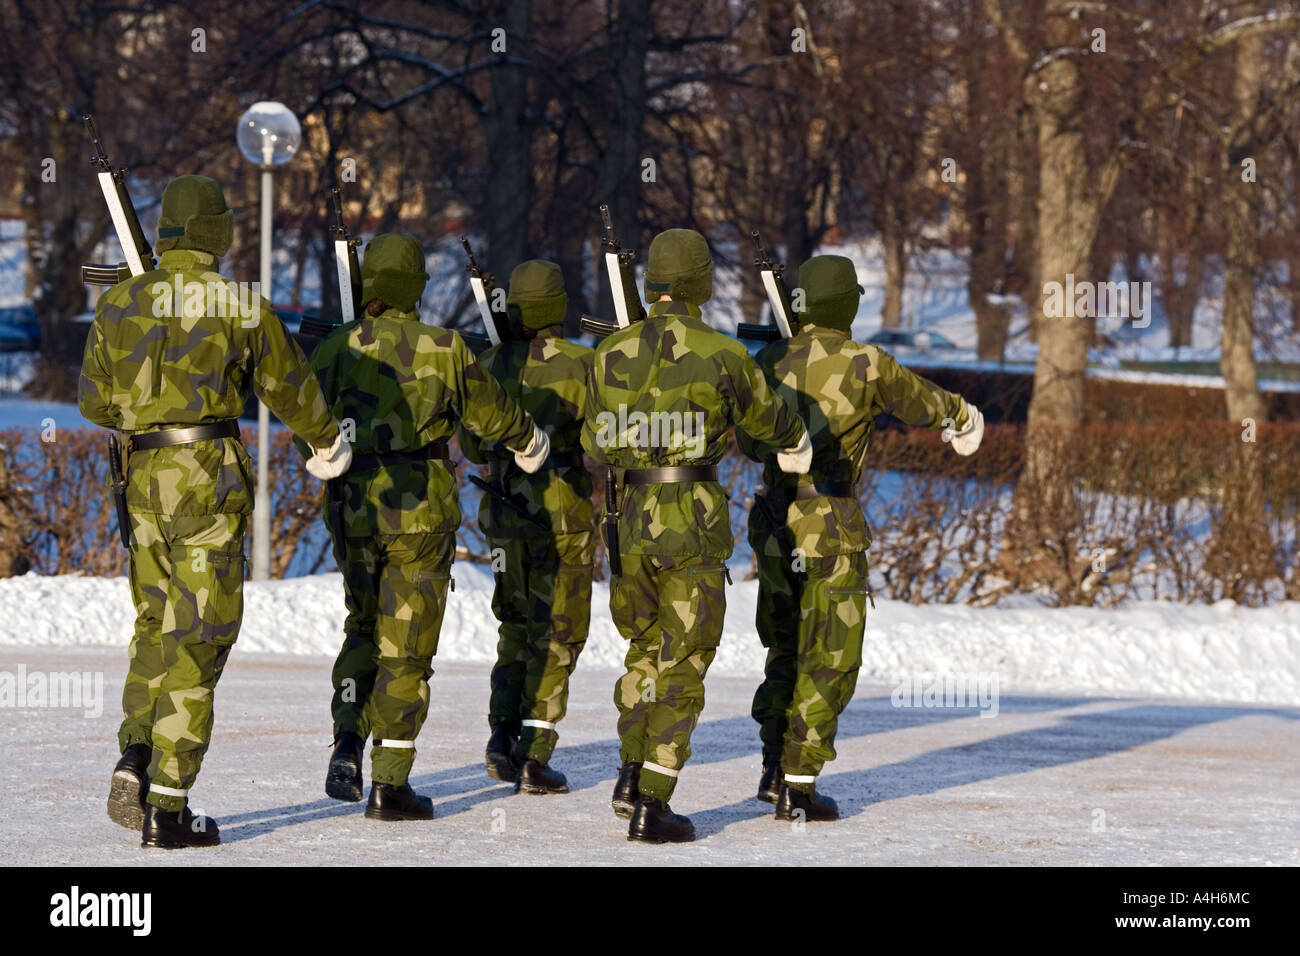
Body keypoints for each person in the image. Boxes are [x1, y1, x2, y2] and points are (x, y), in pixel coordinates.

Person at [79, 175, 350, 849]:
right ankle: (169, 806)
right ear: (218, 235)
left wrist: (146, 406)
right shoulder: (239, 304)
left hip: (141, 477)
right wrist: (326, 441)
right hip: (207, 479)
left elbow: (94, 403)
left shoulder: (118, 304)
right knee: (200, 632)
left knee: (155, 623)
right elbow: (289, 385)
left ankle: (136, 753)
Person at [581, 228, 811, 843]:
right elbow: (768, 424)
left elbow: (592, 443)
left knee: (643, 649)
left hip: (627, 518)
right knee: (683, 657)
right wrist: (795, 442)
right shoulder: (723, 353)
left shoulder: (606, 353)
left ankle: (630, 773)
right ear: (700, 284)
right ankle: (654, 801)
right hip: (691, 521)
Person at [310, 233, 548, 821]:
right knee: (407, 646)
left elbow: (302, 411)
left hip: (351, 506)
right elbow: (492, 413)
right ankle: (390, 784)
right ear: (415, 288)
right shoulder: (444, 348)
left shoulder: (334, 348)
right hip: (419, 510)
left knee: (362, 625)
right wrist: (529, 440)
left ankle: (347, 737)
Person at [737, 254, 984, 822]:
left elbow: (749, 441)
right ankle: (798, 785)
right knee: (830, 652)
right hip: (829, 523)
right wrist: (961, 416)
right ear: (846, 304)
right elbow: (924, 402)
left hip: (774, 522)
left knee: (785, 646)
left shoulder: (770, 358)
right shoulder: (866, 363)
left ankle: (774, 766)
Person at [459, 260, 595, 794]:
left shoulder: (486, 364)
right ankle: (536, 753)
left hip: (502, 511)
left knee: (514, 625)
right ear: (557, 308)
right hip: (562, 515)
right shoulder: (583, 366)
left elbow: (470, 443)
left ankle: (501, 734)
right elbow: (598, 441)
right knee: (558, 630)